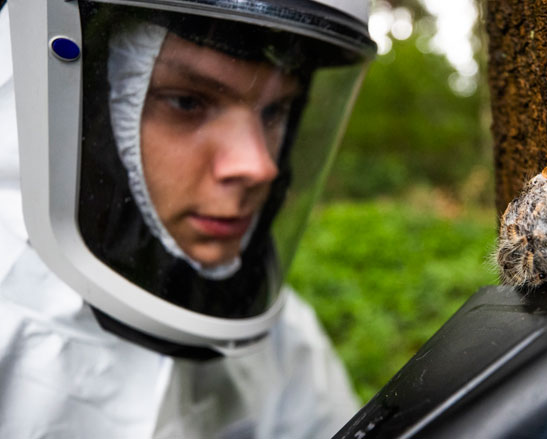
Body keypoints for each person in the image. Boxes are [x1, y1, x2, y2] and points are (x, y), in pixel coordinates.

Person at [0, 0, 375, 436]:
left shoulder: (286, 339)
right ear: (89, 103)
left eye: (274, 112)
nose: (258, 166)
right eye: (186, 102)